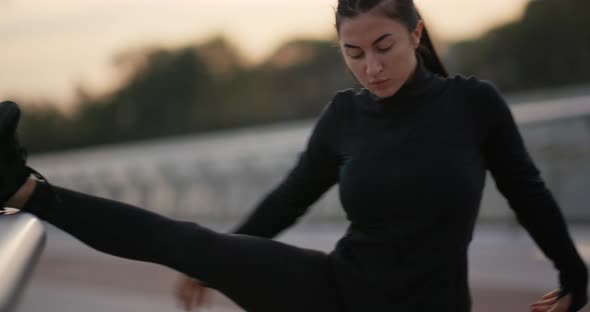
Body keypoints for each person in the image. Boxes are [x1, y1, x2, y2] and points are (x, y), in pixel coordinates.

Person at [1, 0, 588, 311]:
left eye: (383, 46)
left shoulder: (472, 104)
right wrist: (213, 265)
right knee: (184, 240)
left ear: (415, 33)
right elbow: (290, 197)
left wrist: (573, 273)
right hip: (336, 290)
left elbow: (527, 189)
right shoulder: (345, 115)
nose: (371, 68)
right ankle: (23, 188)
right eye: (353, 53)